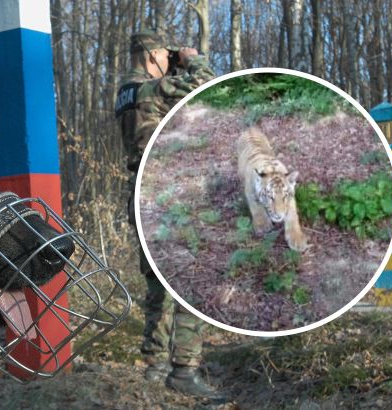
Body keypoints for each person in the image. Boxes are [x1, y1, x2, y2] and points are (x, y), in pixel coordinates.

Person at [115, 30, 226, 403]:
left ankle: (156, 368)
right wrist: (191, 58)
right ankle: (184, 370)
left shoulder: (126, 92)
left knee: (158, 284)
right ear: (151, 56)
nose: (169, 62)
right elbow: (208, 83)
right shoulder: (154, 89)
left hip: (141, 190)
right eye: (165, 56)